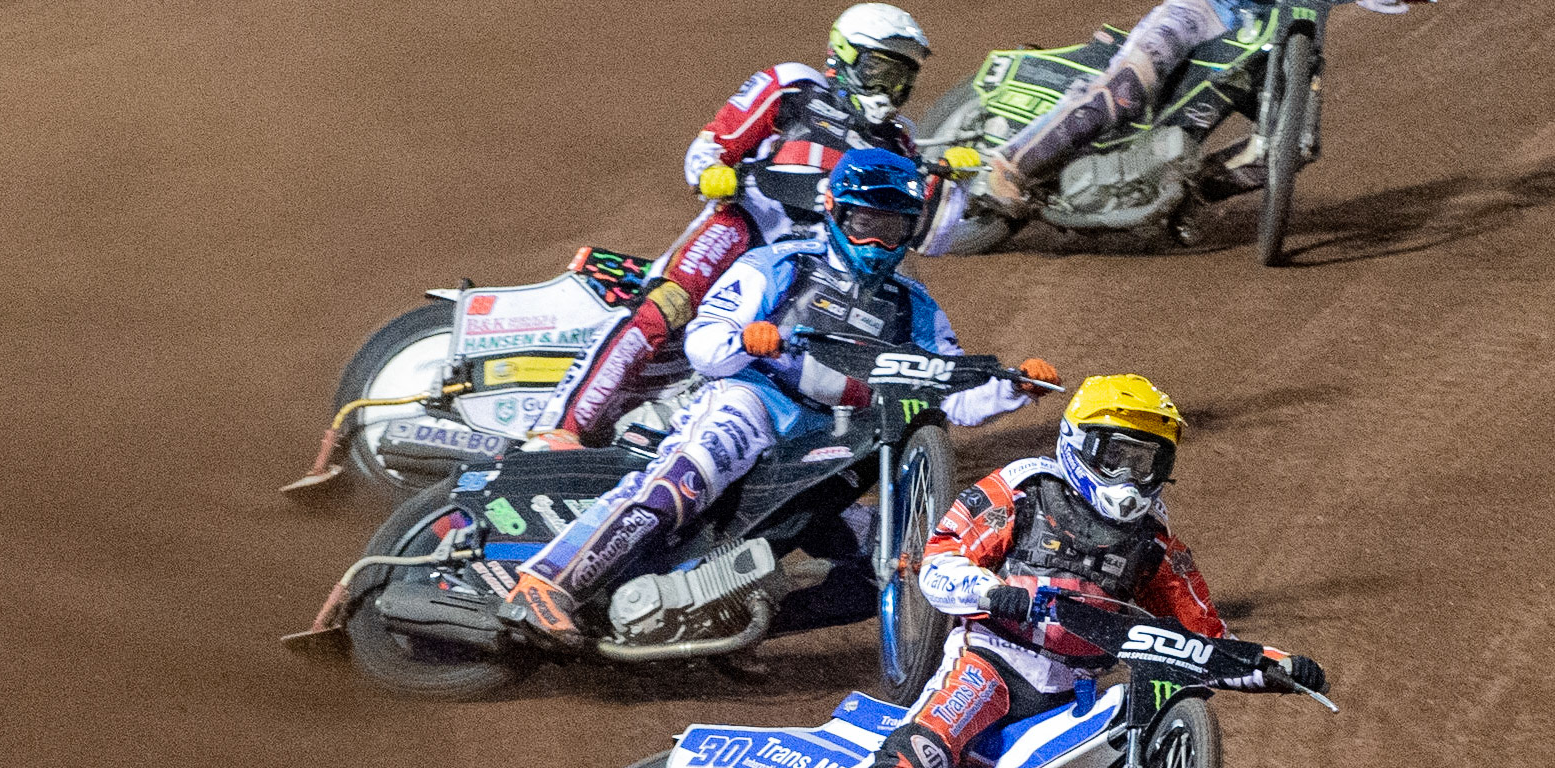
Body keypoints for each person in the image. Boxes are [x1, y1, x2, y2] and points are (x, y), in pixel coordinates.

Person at [709, 373, 1329, 768]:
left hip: (1073, 695)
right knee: (917, 761)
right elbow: (938, 562)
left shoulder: (1156, 543)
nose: (1130, 476)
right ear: (1080, 445)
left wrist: (1271, 664)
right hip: (991, 663)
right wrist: (992, 591)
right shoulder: (1024, 489)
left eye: (1147, 462)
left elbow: (1204, 638)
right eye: (1118, 455)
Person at [501, 148, 1060, 642]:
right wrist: (747, 339)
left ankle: (727, 627)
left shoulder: (914, 306)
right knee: (691, 473)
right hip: (753, 401)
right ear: (835, 212)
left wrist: (1014, 388)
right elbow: (702, 345)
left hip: (832, 440)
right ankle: (548, 582)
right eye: (865, 222)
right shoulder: (781, 266)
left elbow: (951, 391)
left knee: (885, 557)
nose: (876, 242)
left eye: (892, 228)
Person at [526, 4, 963, 450]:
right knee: (666, 304)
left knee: (808, 347)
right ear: (844, 56)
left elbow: (929, 238)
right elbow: (710, 145)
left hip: (810, 262)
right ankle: (558, 427)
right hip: (747, 225)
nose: (890, 89)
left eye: (902, 77)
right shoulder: (795, 86)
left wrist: (954, 186)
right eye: (880, 70)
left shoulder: (900, 144)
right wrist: (711, 172)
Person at [983, 0, 1273, 208]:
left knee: (1288, 146)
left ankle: (1185, 197)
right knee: (1125, 91)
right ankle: (1011, 165)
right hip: (1202, 11)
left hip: (1270, 34)